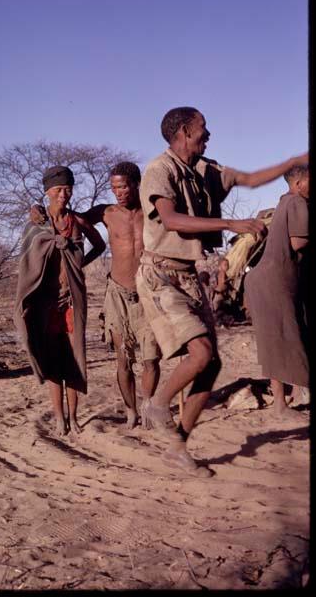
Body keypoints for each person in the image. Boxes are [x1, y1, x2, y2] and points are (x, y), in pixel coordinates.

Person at [136, 105, 308, 477]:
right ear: (183, 131)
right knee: (200, 353)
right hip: (160, 274)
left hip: (187, 275)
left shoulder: (204, 169)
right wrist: (231, 222)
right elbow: (171, 219)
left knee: (211, 362)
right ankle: (158, 403)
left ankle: (179, 446)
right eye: (202, 128)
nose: (208, 133)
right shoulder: (159, 170)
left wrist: (292, 160)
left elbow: (248, 177)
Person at [31, 162, 162, 429]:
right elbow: (68, 218)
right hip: (116, 292)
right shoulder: (106, 212)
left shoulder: (153, 211)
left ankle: (148, 404)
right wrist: (37, 210)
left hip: (148, 290)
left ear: (137, 184)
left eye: (123, 186)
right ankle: (131, 413)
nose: (119, 193)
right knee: (123, 359)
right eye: (114, 188)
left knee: (151, 358)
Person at [14, 165, 106, 436]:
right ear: (48, 192)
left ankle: (74, 417)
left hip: (73, 301)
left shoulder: (77, 221)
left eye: (68, 189)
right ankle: (58, 418)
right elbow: (28, 263)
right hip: (47, 304)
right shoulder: (36, 225)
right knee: (54, 363)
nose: (64, 194)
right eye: (58, 190)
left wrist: (79, 266)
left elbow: (99, 245)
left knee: (74, 360)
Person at [244, 164, 309, 419]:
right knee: (281, 339)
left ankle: (290, 398)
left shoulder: (287, 202)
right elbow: (298, 241)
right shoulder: (296, 202)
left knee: (283, 338)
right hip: (274, 282)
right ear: (298, 183)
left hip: (271, 281)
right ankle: (281, 405)